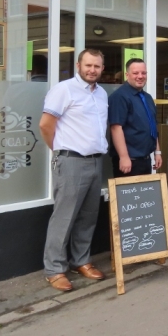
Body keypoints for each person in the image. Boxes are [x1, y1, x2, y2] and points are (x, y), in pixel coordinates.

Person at [39, 49, 108, 292]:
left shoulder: (101, 93)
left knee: (88, 216)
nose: (92, 70)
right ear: (78, 65)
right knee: (64, 216)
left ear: (102, 68)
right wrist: (59, 151)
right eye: (88, 65)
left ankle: (81, 261)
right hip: (71, 161)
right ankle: (55, 269)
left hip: (95, 161)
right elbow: (46, 125)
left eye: (97, 66)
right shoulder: (64, 89)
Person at [108, 58, 162, 177]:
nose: (140, 76)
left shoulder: (147, 98)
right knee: (128, 195)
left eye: (143, 73)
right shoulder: (119, 97)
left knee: (143, 195)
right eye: (135, 73)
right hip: (129, 161)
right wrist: (124, 157)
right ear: (127, 75)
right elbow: (116, 128)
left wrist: (157, 152)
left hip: (145, 159)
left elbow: (152, 126)